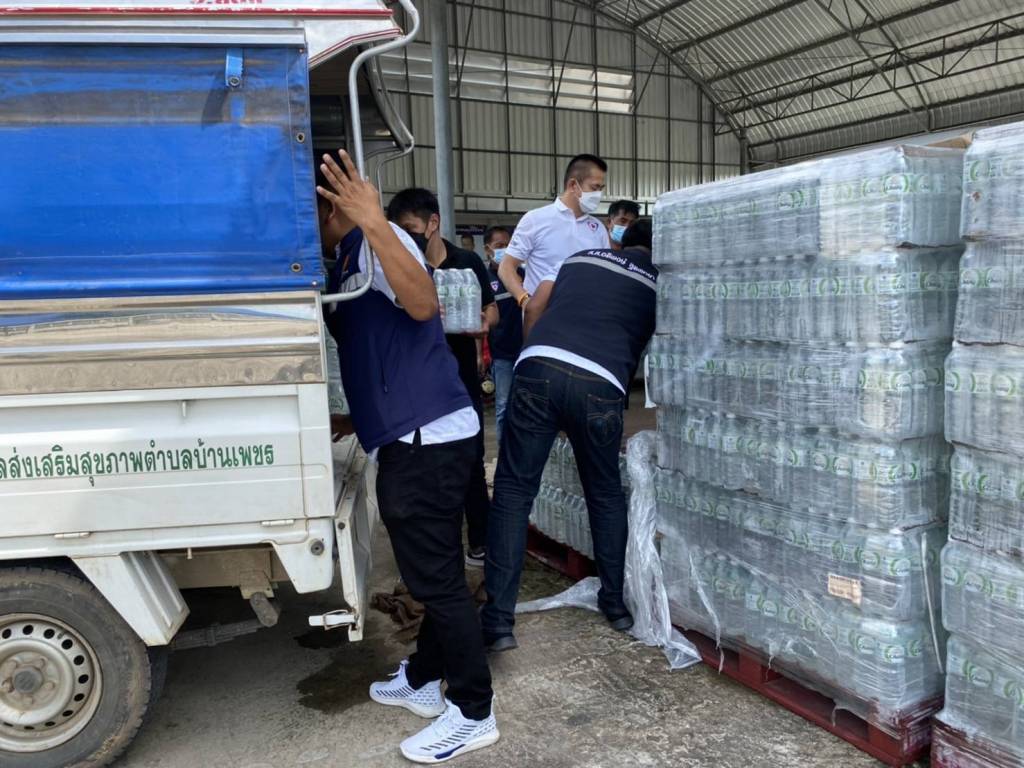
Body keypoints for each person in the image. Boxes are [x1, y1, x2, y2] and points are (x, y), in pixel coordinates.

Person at [315, 151, 498, 763]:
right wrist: (356, 418)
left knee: (436, 582)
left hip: (427, 437)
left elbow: (423, 306)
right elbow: (383, 347)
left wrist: (374, 220)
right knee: (433, 572)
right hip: (412, 434)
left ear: (329, 205)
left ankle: (473, 711)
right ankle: (423, 677)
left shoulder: (380, 240)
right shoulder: (349, 255)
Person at [482, 219, 659, 653]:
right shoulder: (659, 282)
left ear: (622, 242)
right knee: (604, 494)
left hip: (539, 365)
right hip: (601, 382)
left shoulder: (579, 258)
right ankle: (615, 605)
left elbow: (535, 305)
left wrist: (534, 362)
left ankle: (499, 622)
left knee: (513, 491)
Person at [386, 188, 498, 569]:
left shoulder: (466, 262)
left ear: (433, 223)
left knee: (471, 460)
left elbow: (491, 309)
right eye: (399, 231)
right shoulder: (401, 265)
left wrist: (484, 324)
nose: (407, 237)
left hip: (460, 376)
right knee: (428, 467)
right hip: (417, 380)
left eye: (411, 229)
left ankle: (480, 541)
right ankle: (438, 550)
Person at [498, 154, 610, 339]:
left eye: (601, 189)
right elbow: (506, 266)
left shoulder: (598, 229)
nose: (598, 195)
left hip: (584, 323)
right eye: (594, 188)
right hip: (543, 322)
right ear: (573, 185)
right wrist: (525, 300)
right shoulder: (536, 219)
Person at [482, 225, 521, 444]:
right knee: (504, 406)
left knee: (527, 406)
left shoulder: (521, 275)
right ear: (488, 249)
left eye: (509, 244)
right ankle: (505, 455)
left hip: (526, 352)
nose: (505, 249)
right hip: (501, 355)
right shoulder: (485, 279)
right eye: (500, 245)